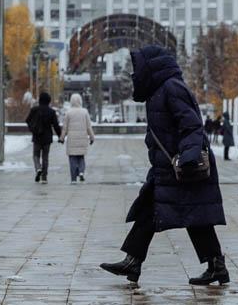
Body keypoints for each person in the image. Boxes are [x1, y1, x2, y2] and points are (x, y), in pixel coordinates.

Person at [100, 45, 229, 286]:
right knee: (153, 210)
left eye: (137, 69)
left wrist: (189, 156)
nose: (134, 75)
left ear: (150, 68)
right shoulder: (159, 90)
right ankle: (134, 261)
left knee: (193, 215)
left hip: (184, 167)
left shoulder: (171, 88)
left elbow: (191, 125)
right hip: (169, 168)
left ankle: (215, 266)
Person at [25, 90, 62, 183]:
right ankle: (44, 177)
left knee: (36, 155)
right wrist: (60, 136)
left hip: (37, 136)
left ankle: (38, 168)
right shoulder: (51, 112)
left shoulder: (34, 110)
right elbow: (56, 125)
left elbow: (27, 120)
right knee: (45, 157)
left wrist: (32, 129)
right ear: (49, 101)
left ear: (40, 100)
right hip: (47, 138)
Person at [62, 91, 94, 182]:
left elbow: (65, 127)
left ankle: (73, 179)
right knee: (81, 158)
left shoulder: (68, 112)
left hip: (72, 140)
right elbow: (88, 127)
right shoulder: (85, 112)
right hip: (82, 139)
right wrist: (92, 137)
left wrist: (62, 138)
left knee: (72, 159)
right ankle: (81, 172)